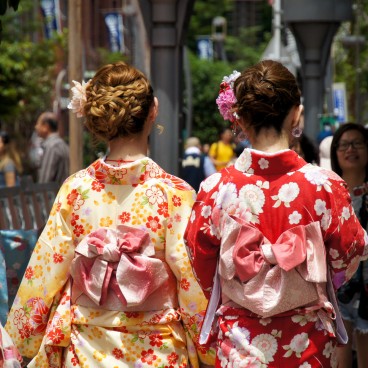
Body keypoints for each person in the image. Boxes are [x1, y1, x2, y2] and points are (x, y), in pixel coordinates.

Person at [5, 62, 214, 367]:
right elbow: (189, 278)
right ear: (152, 111)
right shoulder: (174, 193)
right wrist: (208, 341)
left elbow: (47, 269)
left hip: (88, 346)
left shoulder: (76, 190)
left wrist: (22, 337)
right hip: (157, 349)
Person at [184, 60, 368, 367]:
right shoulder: (324, 185)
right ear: (296, 113)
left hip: (239, 340)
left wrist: (247, 291)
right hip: (307, 342)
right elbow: (347, 256)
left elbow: (200, 261)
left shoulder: (216, 188)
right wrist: (308, 281)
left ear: (239, 118)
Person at [330, 123, 368, 368]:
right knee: (339, 355)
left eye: (357, 143)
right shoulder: (329, 192)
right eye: (344, 144)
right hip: (338, 284)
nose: (350, 149)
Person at [34, 111, 69, 185]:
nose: (36, 127)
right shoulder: (62, 144)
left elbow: (45, 181)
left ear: (45, 127)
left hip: (52, 195)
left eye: (38, 124)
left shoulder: (51, 146)